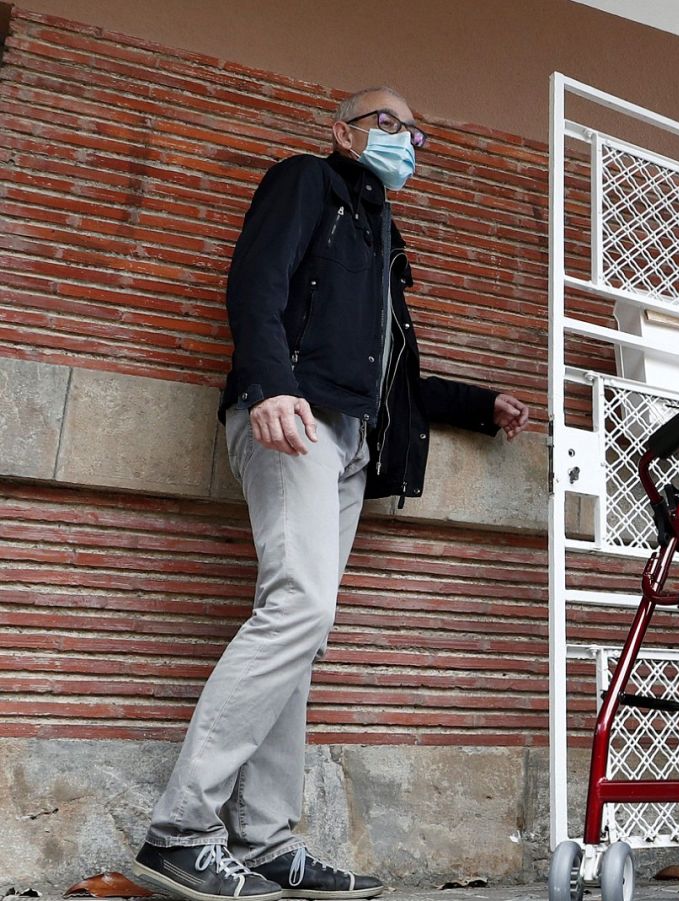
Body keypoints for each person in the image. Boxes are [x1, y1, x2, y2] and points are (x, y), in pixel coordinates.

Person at [130, 86, 532, 901]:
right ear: (341, 131)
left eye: (418, 130)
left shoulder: (384, 238)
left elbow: (397, 374)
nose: (407, 138)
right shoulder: (306, 181)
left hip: (349, 442)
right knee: (300, 610)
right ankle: (179, 831)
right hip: (294, 418)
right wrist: (272, 385)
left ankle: (267, 839)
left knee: (301, 634)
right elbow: (255, 282)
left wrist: (478, 406)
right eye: (389, 122)